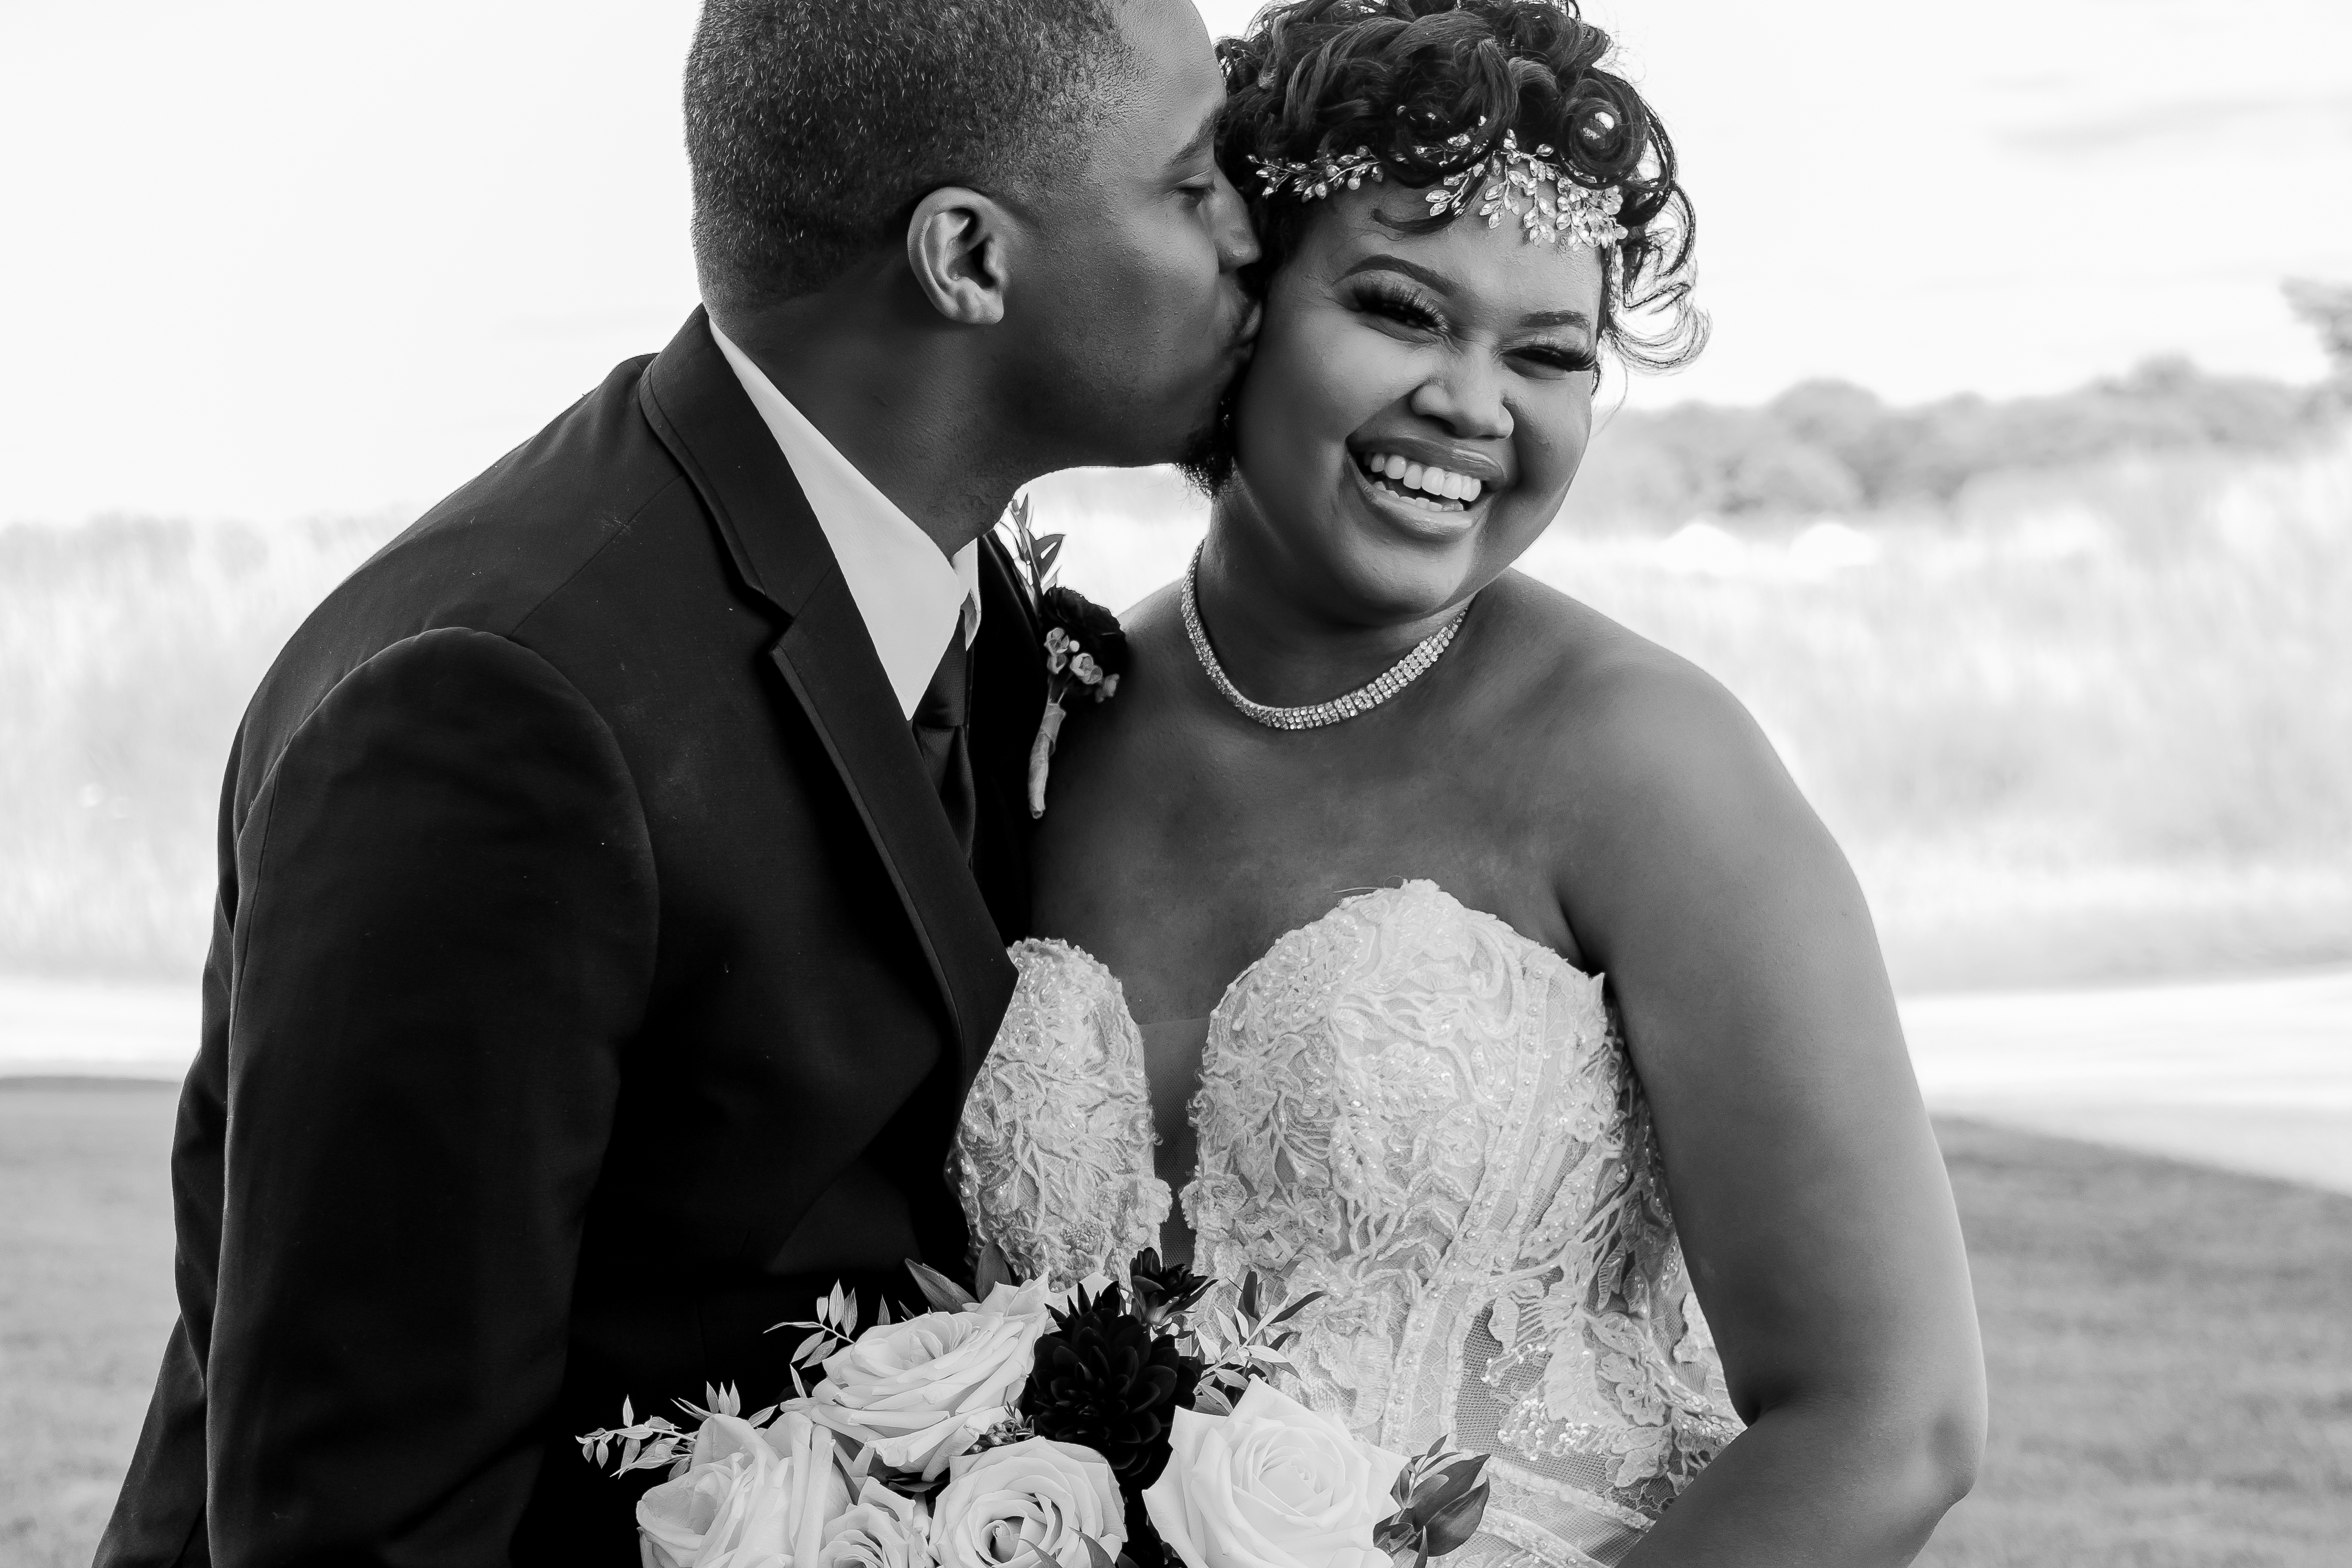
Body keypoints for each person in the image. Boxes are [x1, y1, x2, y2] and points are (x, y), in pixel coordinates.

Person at [95, 1, 1258, 1564]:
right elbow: (366, 1515)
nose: (1251, 235)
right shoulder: (496, 711)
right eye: (1191, 185)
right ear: (967, 259)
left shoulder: (944, 595)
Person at [953, 2, 1987, 1564]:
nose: (1471, 402)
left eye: (1549, 354)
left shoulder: (1644, 762)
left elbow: (1886, 1419)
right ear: (1241, 305)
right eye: (1398, 308)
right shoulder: (1039, 717)